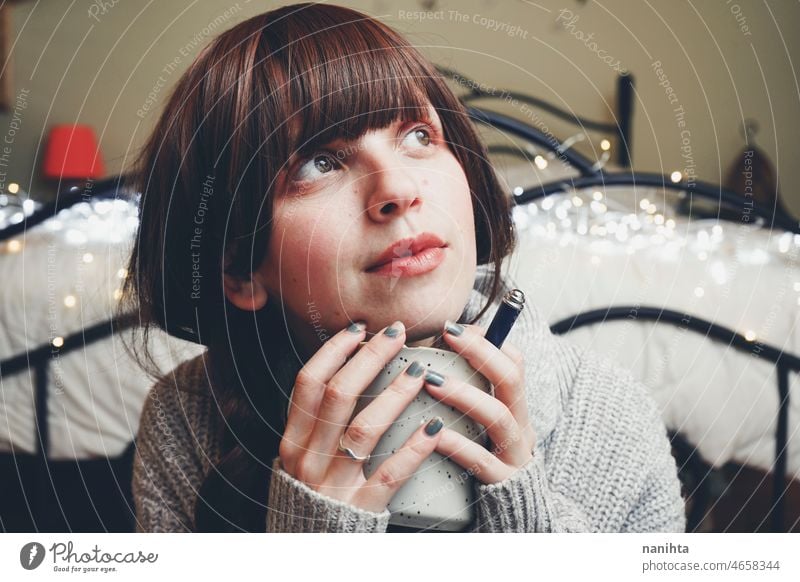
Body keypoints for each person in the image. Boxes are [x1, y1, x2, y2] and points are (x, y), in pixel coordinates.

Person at [124, 2, 686, 533]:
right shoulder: (186, 422)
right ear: (240, 271)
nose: (398, 188)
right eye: (320, 163)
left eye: (419, 136)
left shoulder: (610, 415)